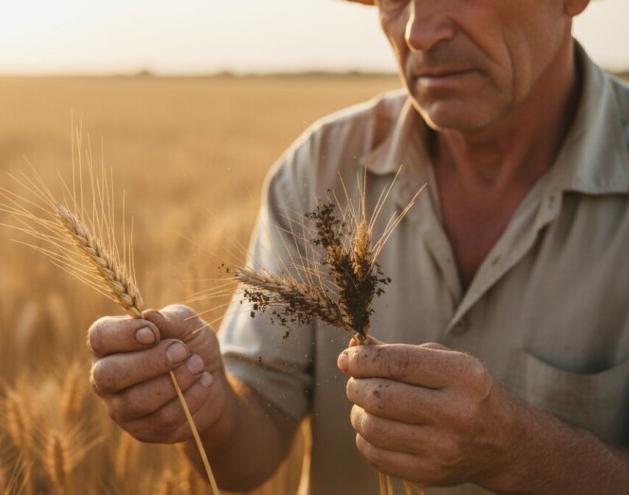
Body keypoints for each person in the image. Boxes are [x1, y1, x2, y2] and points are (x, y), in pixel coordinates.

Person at [87, 0, 629, 493]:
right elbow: (244, 455)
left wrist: (519, 451)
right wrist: (201, 407)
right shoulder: (320, 166)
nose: (418, 30)